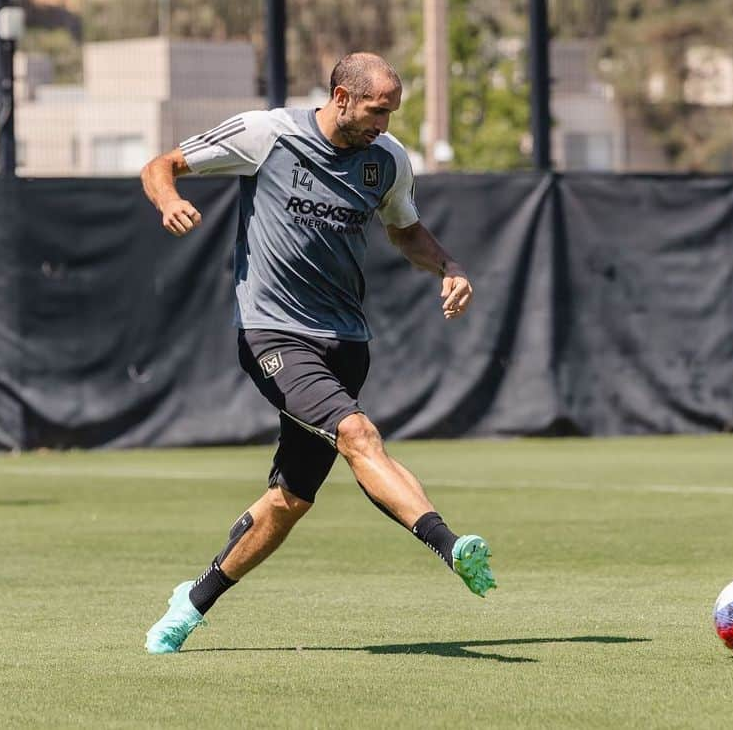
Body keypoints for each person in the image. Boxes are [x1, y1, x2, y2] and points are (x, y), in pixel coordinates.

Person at [138, 52, 495, 654]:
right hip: (273, 333)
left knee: (291, 499)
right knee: (358, 434)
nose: (385, 124)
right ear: (341, 97)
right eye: (378, 111)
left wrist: (449, 265)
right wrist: (168, 199)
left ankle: (192, 601)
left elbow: (404, 230)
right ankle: (448, 544)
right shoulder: (267, 134)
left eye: (392, 113)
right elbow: (161, 164)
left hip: (348, 343)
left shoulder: (387, 161)